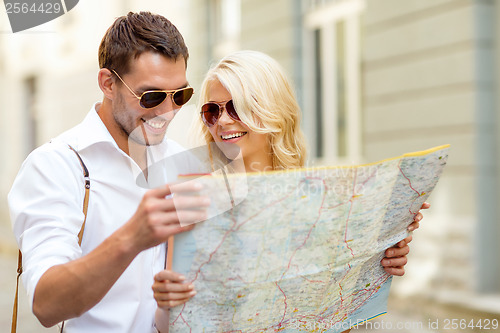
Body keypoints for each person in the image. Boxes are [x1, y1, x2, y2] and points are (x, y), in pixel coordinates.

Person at [152, 50, 429, 332]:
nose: (222, 122)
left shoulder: (323, 201)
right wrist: (165, 304)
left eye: (237, 107)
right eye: (212, 110)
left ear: (273, 109)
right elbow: (168, 324)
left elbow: (340, 311)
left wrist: (383, 255)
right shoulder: (192, 201)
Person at [8, 12, 209, 332]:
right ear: (108, 83)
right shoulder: (55, 166)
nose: (167, 111)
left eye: (180, 95)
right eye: (152, 96)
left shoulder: (185, 165)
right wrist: (132, 237)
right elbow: (46, 306)